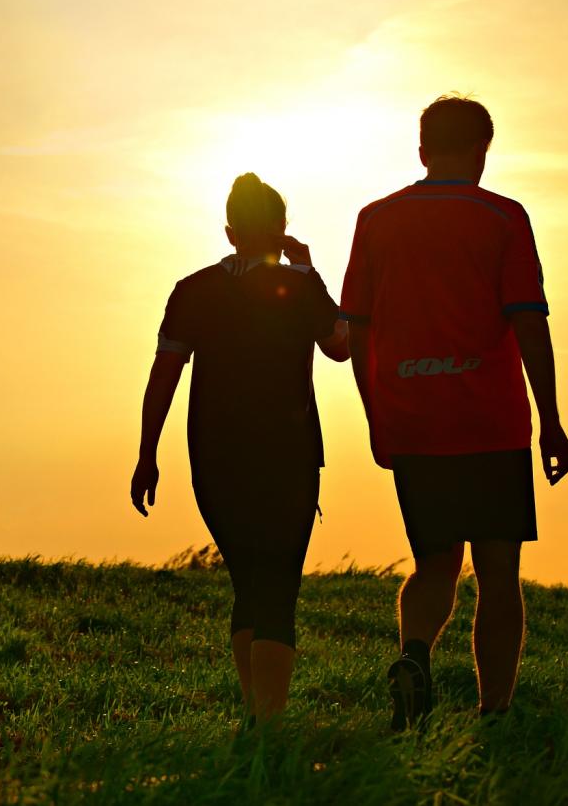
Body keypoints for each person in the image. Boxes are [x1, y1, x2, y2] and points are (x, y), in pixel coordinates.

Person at [339, 95, 568, 730]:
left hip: (413, 418)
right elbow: (529, 323)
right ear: (483, 152)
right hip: (490, 423)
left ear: (422, 150)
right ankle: (493, 712)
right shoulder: (503, 219)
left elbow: (355, 331)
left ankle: (415, 655)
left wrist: (375, 413)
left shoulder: (375, 219)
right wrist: (550, 419)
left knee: (434, 562)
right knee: (498, 572)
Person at [130, 172, 349, 725]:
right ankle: (268, 727)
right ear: (282, 231)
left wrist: (146, 453)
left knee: (248, 582)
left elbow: (165, 373)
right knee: (278, 585)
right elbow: (341, 346)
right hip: (288, 455)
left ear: (230, 233)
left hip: (213, 455)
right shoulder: (299, 287)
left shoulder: (194, 289)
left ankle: (257, 717)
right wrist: (310, 272)